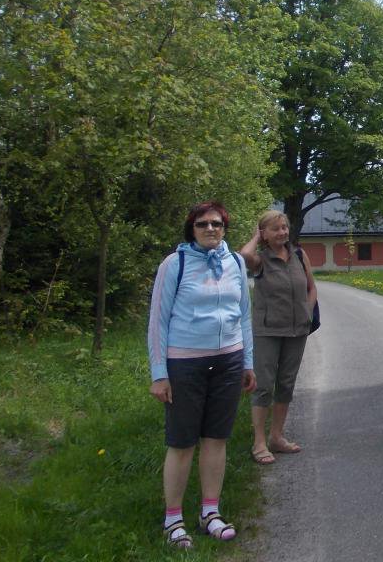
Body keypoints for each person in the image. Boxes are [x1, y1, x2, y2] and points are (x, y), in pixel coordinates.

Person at [148, 201, 256, 548]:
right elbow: (158, 321)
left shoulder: (235, 261)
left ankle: (210, 511)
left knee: (216, 438)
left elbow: (244, 315)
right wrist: (159, 373)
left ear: (224, 228)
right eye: (202, 224)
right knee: (182, 441)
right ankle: (173, 519)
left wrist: (248, 362)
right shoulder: (175, 264)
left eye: (217, 224)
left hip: (228, 362)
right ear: (191, 229)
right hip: (185, 364)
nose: (210, 229)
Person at [239, 209, 318, 465]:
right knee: (263, 385)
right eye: (276, 228)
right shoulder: (260, 260)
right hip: (268, 331)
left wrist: (307, 312)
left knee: (286, 384)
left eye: (284, 227)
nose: (282, 232)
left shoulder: (299, 255)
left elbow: (311, 287)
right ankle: (259, 442)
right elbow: (244, 255)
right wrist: (255, 236)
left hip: (297, 331)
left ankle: (277, 437)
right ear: (265, 233)